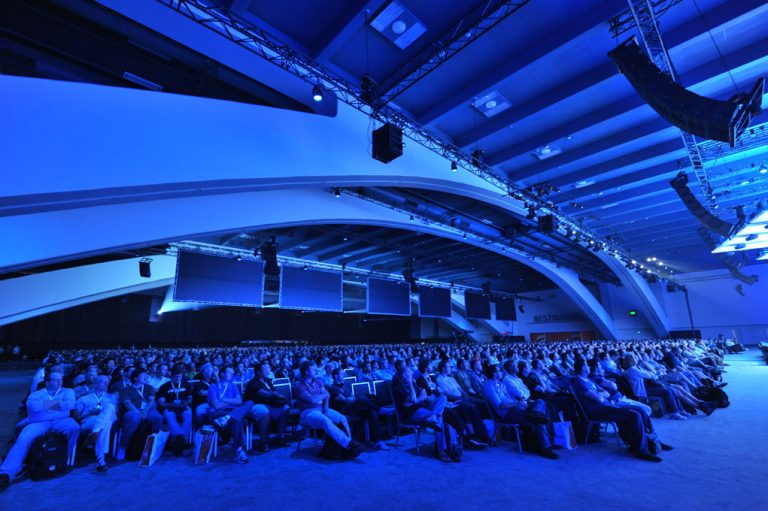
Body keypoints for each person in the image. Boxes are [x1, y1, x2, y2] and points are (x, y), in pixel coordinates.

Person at [572, 359, 667, 462]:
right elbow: (599, 398)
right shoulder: (579, 382)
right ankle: (641, 450)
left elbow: (605, 393)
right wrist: (601, 395)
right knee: (634, 415)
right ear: (582, 368)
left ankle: (654, 440)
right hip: (599, 411)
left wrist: (601, 394)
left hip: (608, 406)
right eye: (586, 364)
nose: (589, 366)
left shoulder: (588, 380)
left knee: (641, 410)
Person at [0, 372, 80, 490]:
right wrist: (59, 406)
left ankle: (66, 459)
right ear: (47, 382)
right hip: (39, 423)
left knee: (74, 428)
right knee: (24, 437)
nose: (60, 382)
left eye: (60, 379)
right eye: (55, 380)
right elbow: (33, 407)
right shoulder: (36, 393)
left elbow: (70, 405)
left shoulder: (68, 392)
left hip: (62, 420)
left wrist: (44, 406)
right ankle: (7, 473)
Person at [483, 364, 559, 460]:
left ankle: (536, 417)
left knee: (540, 402)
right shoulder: (489, 386)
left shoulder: (500, 384)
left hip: (516, 407)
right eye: (499, 371)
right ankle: (546, 447)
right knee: (540, 417)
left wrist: (520, 403)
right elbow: (499, 405)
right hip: (507, 413)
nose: (501, 372)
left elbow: (510, 398)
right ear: (493, 374)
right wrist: (517, 403)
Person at [295, 362, 361, 460]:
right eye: (313, 369)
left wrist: (325, 407)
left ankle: (348, 443)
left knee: (341, 418)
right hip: (308, 413)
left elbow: (327, 395)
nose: (316, 371)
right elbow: (311, 399)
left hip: (322, 408)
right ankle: (348, 444)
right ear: (306, 372)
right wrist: (323, 396)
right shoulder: (299, 385)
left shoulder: (318, 381)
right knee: (325, 420)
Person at [326, 368, 388, 450]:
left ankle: (377, 441)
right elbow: (346, 400)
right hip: (342, 411)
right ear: (336, 376)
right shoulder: (332, 388)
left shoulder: (344, 386)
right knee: (361, 399)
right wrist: (352, 398)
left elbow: (352, 397)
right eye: (342, 374)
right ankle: (380, 409)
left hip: (351, 408)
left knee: (372, 412)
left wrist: (352, 398)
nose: (344, 376)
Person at [208, 365, 253, 464]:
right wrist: (231, 402)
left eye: (232, 373)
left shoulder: (232, 386)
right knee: (237, 419)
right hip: (218, 414)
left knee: (249, 403)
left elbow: (239, 401)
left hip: (230, 414)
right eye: (229, 373)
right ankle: (239, 451)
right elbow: (216, 406)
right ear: (222, 373)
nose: (231, 375)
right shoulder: (213, 387)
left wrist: (224, 399)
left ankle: (228, 418)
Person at [117, 368, 163, 461]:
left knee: (158, 418)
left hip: (147, 410)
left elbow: (151, 401)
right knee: (134, 418)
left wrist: (145, 411)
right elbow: (127, 403)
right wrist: (138, 413)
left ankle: (152, 445)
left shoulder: (149, 387)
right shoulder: (126, 389)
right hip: (133, 411)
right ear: (135, 378)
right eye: (143, 375)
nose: (146, 377)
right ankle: (123, 447)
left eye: (146, 375)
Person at [244, 362, 290, 451]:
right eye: (265, 369)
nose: (268, 370)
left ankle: (279, 438)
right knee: (264, 412)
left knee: (285, 409)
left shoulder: (268, 381)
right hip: (254, 405)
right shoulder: (253, 383)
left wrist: (276, 395)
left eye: (267, 368)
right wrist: (277, 395)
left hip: (268, 405)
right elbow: (265, 394)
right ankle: (263, 442)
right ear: (258, 372)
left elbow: (275, 392)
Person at [75, 374, 117, 471]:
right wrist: (90, 413)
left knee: (109, 408)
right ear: (96, 384)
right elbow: (77, 417)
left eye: (107, 382)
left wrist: (102, 412)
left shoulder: (111, 397)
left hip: (107, 419)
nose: (106, 384)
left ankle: (100, 460)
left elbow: (115, 414)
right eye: (103, 382)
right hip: (89, 421)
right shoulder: (84, 398)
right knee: (106, 424)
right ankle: (100, 460)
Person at [156, 365, 193, 455]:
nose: (178, 378)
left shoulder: (186, 384)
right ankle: (182, 440)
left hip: (183, 406)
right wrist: (171, 404)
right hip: (170, 407)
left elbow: (190, 399)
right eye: (176, 376)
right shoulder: (164, 386)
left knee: (188, 414)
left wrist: (186, 403)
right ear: (171, 376)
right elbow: (161, 403)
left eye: (179, 376)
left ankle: (179, 441)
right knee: (169, 416)